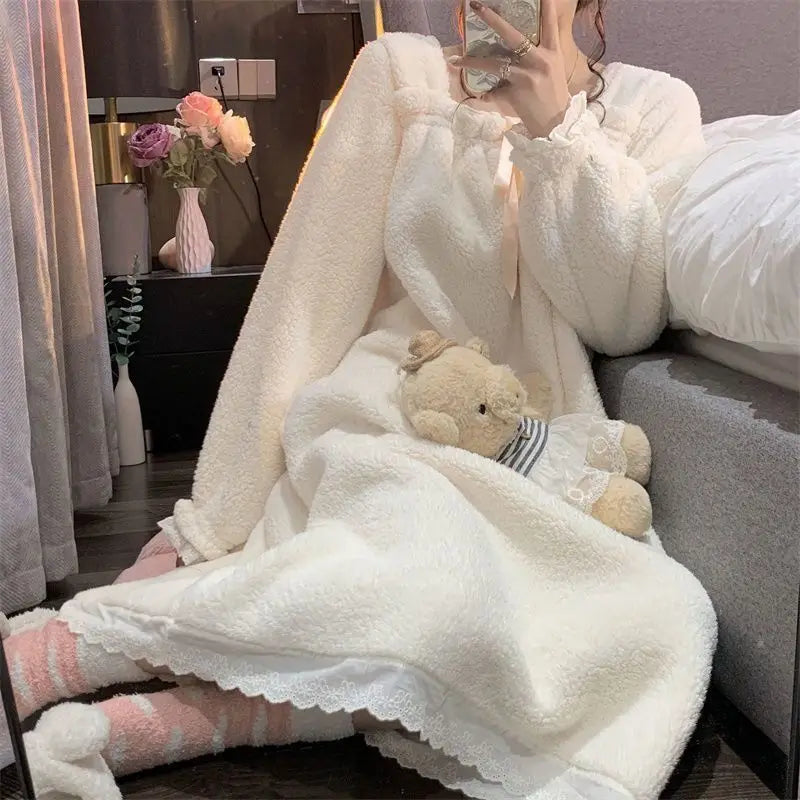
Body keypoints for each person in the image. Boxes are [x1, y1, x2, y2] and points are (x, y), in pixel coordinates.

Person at [1, 0, 710, 796]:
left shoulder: (652, 108)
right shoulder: (398, 75)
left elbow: (621, 321)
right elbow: (303, 303)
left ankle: (132, 729)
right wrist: (210, 520)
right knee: (414, 565)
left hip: (534, 445)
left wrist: (556, 134)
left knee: (663, 619)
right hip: (388, 416)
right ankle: (46, 659)